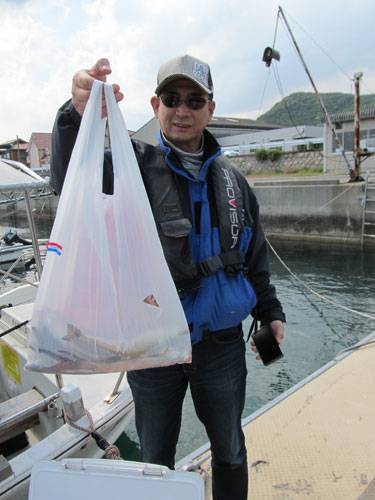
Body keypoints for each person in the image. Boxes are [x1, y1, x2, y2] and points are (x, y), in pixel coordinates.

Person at [51, 54, 286, 500]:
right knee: (154, 459)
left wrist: (270, 310)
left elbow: (253, 256)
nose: (183, 109)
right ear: (155, 104)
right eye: (172, 98)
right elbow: (69, 180)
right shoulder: (128, 167)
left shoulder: (235, 182)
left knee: (231, 451)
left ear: (210, 109)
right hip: (151, 348)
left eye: (194, 100)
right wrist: (73, 115)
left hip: (221, 346)